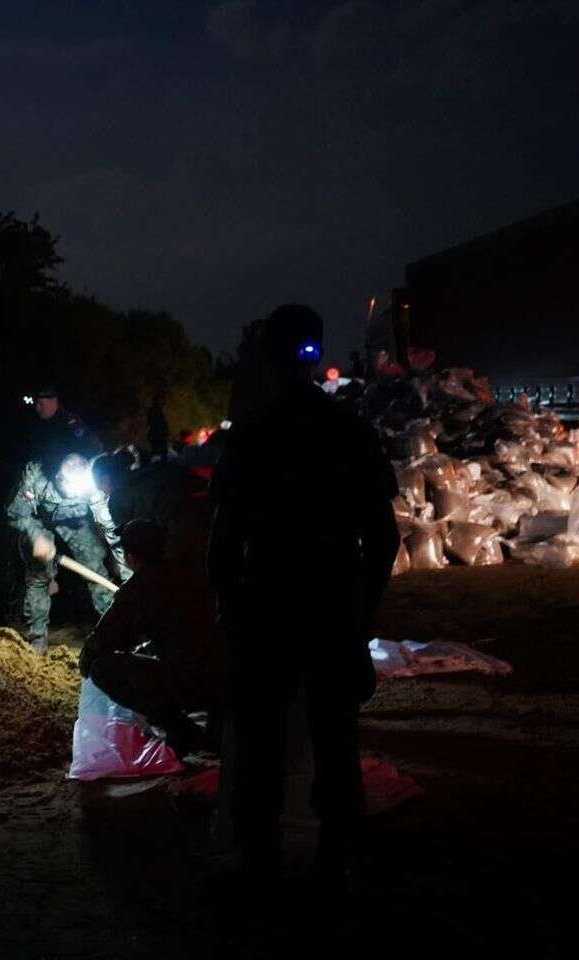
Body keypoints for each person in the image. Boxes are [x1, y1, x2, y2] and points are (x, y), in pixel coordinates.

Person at [208, 304, 399, 893]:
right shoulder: (351, 433)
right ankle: (336, 865)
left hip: (266, 614)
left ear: (267, 356)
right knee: (336, 741)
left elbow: (223, 544)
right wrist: (362, 608)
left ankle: (261, 865)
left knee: (262, 745)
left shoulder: (251, 439)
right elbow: (384, 537)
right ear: (316, 352)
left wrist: (231, 610)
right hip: (332, 612)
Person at [79, 518, 220, 756]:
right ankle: (218, 728)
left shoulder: (140, 587)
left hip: (194, 683)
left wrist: (88, 656)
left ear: (130, 557)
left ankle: (185, 732)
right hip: (232, 674)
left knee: (102, 668)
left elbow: (104, 640)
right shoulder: (194, 570)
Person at [6, 452, 129, 655]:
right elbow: (15, 511)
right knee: (39, 573)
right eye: (69, 487)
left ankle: (116, 629)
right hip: (38, 520)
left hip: (75, 520)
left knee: (95, 566)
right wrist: (36, 536)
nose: (74, 492)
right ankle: (37, 640)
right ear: (58, 478)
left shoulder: (91, 484)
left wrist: (129, 578)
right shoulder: (36, 475)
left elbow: (111, 530)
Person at [25, 385, 102, 473]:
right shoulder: (37, 427)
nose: (37, 408)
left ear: (53, 400)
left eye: (40, 403)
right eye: (35, 403)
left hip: (75, 475)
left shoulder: (70, 422)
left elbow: (94, 447)